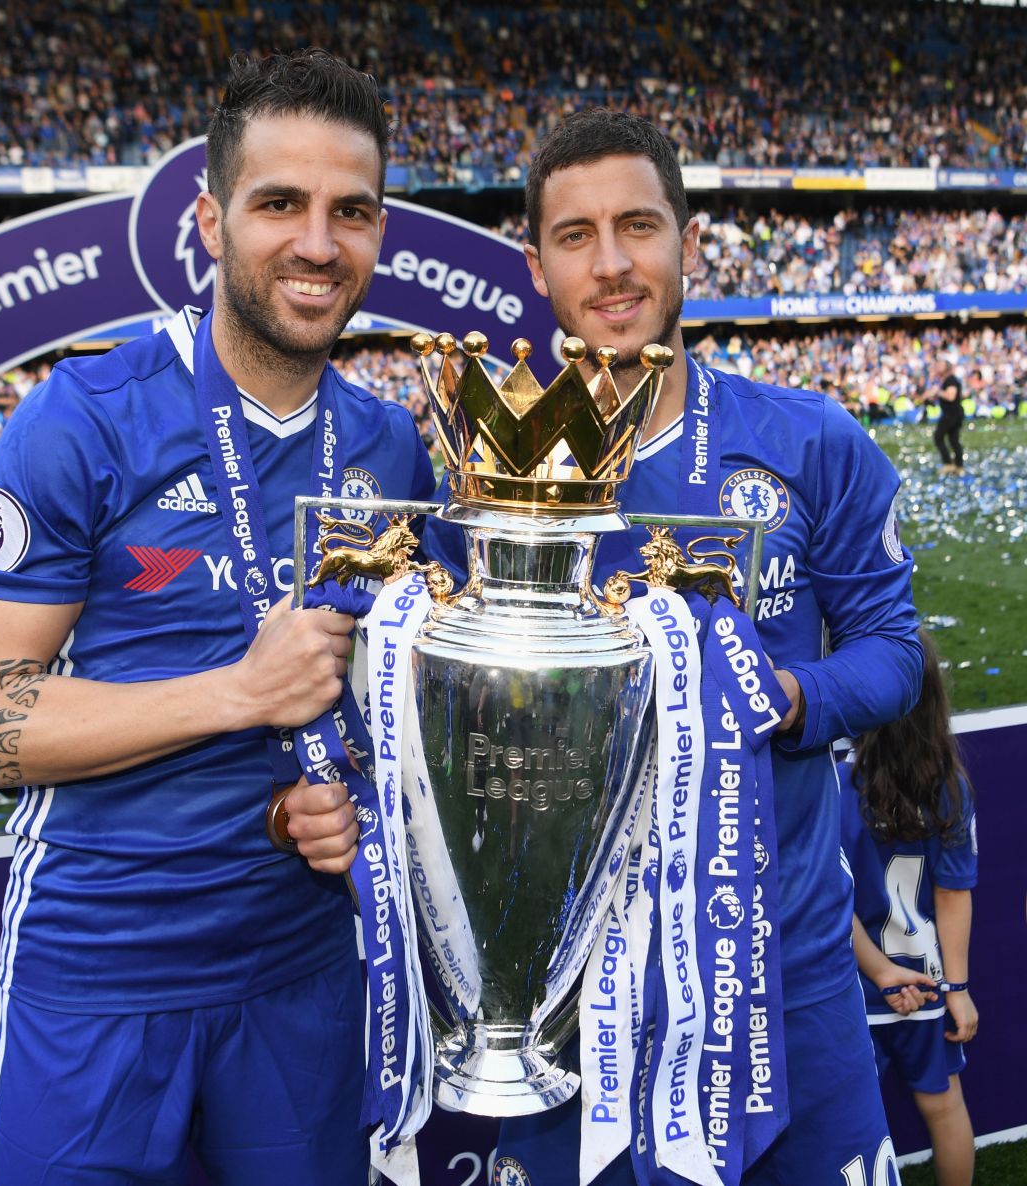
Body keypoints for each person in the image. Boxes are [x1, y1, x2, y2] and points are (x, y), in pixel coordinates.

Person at [286, 109, 925, 1185]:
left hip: (780, 981)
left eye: (639, 226)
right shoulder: (481, 486)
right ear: (536, 265)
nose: (614, 263)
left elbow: (893, 653)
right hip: (556, 1007)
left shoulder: (813, 443)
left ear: (689, 241)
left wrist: (788, 695)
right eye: (577, 235)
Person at [0, 50, 434, 1186]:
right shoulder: (84, 417)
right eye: (279, 205)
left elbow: (384, 700)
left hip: (303, 970)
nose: (317, 242)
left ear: (378, 231)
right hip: (98, 972)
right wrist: (240, 694)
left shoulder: (389, 447)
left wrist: (351, 792)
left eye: (349, 211)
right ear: (211, 221)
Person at [840, 630, 978, 1186]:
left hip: (852, 983)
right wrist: (958, 990)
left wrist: (873, 968)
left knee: (848, 1125)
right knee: (944, 1107)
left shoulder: (837, 782)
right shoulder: (949, 786)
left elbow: (829, 898)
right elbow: (953, 896)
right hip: (924, 980)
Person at [933, 366, 965, 475]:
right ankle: (958, 466)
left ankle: (948, 464)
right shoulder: (947, 380)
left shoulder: (950, 380)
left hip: (951, 414)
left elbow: (951, 396)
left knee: (938, 436)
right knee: (954, 440)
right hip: (954, 413)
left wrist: (938, 392)